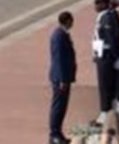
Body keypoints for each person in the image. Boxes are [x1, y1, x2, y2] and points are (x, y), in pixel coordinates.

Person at [92, 0, 119, 125]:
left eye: (98, 3)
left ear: (105, 4)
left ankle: (105, 112)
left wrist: (118, 56)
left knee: (105, 84)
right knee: (105, 84)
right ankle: (106, 111)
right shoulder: (104, 16)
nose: (95, 6)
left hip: (107, 55)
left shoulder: (107, 17)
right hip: (102, 53)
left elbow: (113, 38)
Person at [48, 11, 76, 144]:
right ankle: (54, 133)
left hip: (64, 77)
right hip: (60, 78)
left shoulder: (62, 34)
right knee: (58, 106)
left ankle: (58, 132)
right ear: (68, 21)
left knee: (62, 107)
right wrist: (62, 79)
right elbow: (59, 59)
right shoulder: (59, 36)